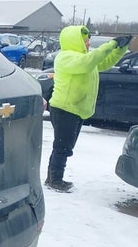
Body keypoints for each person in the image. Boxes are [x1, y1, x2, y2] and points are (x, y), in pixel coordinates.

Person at [45, 26, 132, 192]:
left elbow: (105, 62)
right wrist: (111, 43)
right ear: (74, 39)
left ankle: (54, 177)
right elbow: (88, 63)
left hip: (76, 109)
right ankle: (54, 179)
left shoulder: (86, 58)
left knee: (66, 146)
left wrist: (121, 49)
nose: (87, 42)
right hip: (65, 108)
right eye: (84, 39)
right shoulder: (65, 57)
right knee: (62, 147)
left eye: (87, 39)